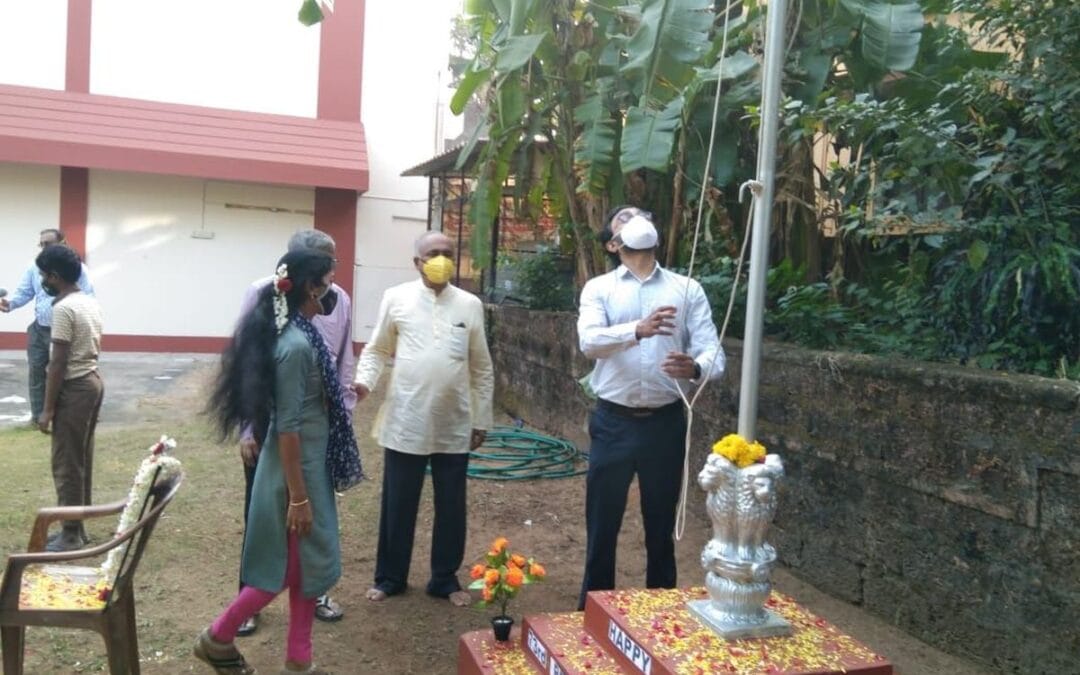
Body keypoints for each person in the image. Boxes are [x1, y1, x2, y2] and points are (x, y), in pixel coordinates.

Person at [198, 249, 356, 675]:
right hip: (294, 473)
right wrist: (299, 498)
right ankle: (218, 636)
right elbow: (287, 426)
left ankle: (299, 659)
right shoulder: (296, 345)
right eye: (328, 279)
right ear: (309, 286)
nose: (333, 288)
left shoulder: (298, 331)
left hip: (307, 468)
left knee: (305, 568)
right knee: (283, 571)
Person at [576, 206, 724, 610]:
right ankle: (592, 609)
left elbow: (714, 351)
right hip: (613, 421)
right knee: (602, 523)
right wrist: (636, 330)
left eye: (644, 214)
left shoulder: (687, 288)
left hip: (665, 422)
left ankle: (661, 613)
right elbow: (589, 342)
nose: (638, 217)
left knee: (660, 525)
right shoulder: (599, 288)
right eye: (624, 217)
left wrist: (695, 367)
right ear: (613, 242)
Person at [354, 231, 494, 607]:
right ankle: (390, 578)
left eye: (448, 253)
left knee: (452, 505)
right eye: (433, 253)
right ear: (417, 261)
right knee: (398, 504)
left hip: (454, 422)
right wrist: (363, 383)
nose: (442, 259)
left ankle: (445, 579)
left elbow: (481, 367)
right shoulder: (396, 298)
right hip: (406, 419)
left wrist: (481, 418)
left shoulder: (470, 304)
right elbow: (378, 349)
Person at [233, 230, 354, 635]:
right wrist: (248, 427)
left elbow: (343, 363)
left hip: (316, 430)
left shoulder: (339, 301)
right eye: (325, 263)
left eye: (334, 262)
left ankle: (312, 595)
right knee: (265, 515)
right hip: (276, 423)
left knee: (311, 526)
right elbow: (249, 362)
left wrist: (343, 420)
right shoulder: (265, 296)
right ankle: (248, 600)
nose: (332, 272)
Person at [34, 244, 104, 552]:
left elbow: (58, 363)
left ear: (55, 276)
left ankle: (71, 533)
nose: (42, 281)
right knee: (80, 459)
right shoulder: (87, 302)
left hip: (75, 387)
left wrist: (47, 409)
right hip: (91, 382)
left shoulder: (62, 309)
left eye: (43, 276)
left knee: (66, 462)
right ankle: (76, 526)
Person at [0, 229, 94, 428]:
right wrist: (9, 304)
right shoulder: (35, 268)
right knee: (36, 372)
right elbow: (24, 292)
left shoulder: (77, 269)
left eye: (48, 244)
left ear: (62, 243)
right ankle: (37, 417)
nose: (44, 248)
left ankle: (61, 415)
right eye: (41, 244)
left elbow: (88, 298)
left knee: (62, 372)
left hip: (65, 331)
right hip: (39, 328)